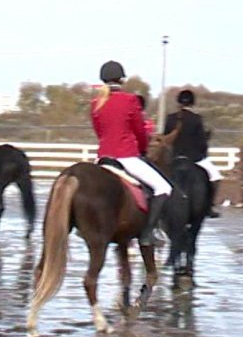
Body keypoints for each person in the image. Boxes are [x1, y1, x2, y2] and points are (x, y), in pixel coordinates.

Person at [90, 60, 173, 245]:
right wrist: (142, 148)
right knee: (164, 188)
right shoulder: (130, 100)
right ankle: (147, 233)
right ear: (121, 79)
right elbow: (139, 131)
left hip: (103, 157)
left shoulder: (96, 102)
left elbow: (99, 132)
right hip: (126, 157)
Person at [165, 88, 223, 217]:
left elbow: (165, 139)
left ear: (178, 102)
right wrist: (202, 153)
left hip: (173, 158)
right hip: (194, 158)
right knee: (216, 177)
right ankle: (209, 207)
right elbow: (202, 143)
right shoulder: (196, 119)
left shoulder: (170, 118)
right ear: (192, 103)